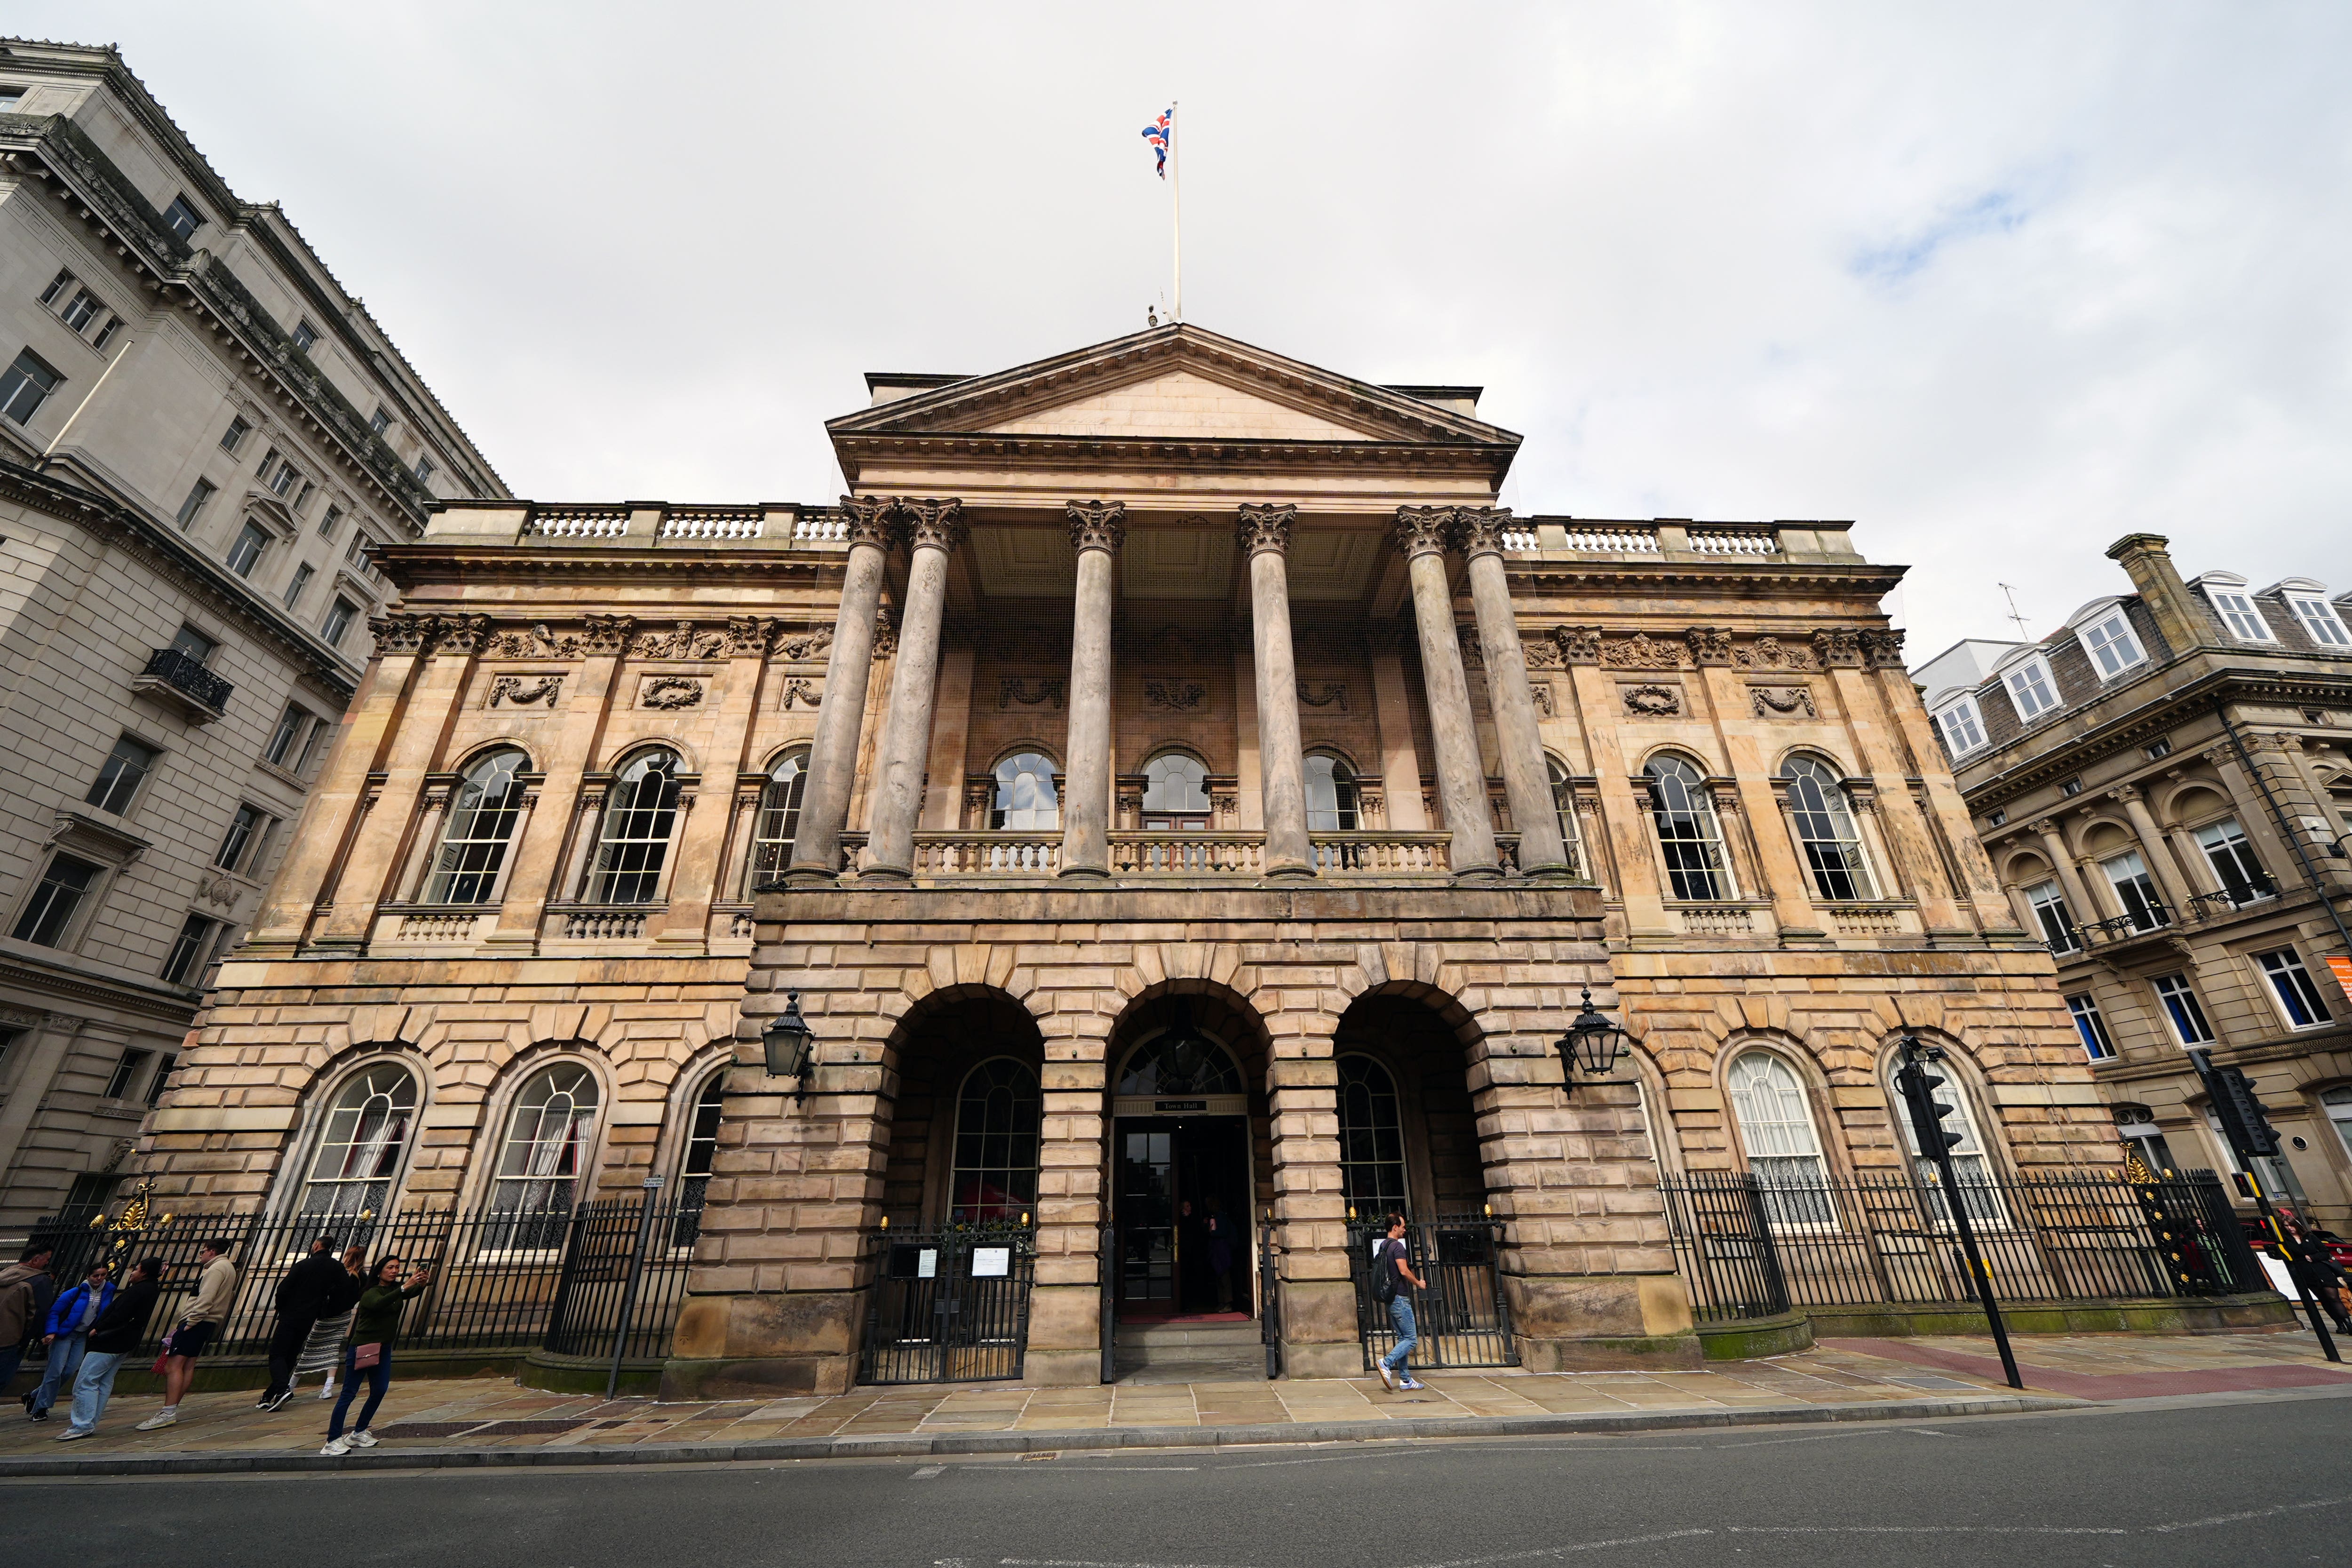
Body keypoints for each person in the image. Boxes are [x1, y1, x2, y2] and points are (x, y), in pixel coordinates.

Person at [322, 1254, 433, 1456]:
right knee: (349, 1393)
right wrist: (404, 1287)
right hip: (363, 1348)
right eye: (390, 1267)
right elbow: (379, 1303)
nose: (394, 1271)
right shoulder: (370, 1293)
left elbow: (408, 1293)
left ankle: (359, 1432)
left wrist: (421, 1283)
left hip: (383, 1347)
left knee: (380, 1390)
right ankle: (332, 1440)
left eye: (397, 1268)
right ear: (380, 1271)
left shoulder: (394, 1290)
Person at [56, 1256, 164, 1441]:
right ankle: (90, 1422)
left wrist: (97, 1329)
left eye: (137, 1269)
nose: (133, 1272)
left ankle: (82, 1424)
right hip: (125, 1341)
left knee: (86, 1381)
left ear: (145, 1273)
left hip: (109, 1341)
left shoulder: (138, 1291)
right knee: (104, 1381)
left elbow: (120, 1314)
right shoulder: (151, 1289)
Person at [137, 1239, 237, 1431]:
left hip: (197, 1322)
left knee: (173, 1366)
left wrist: (191, 1322)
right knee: (188, 1365)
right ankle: (171, 1408)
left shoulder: (216, 1269)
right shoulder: (228, 1267)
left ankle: (168, 1412)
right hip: (207, 1323)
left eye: (203, 1251)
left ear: (212, 1252)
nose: (201, 1255)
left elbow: (206, 1298)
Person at [257, 1234, 344, 1411]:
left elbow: (283, 1289)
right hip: (310, 1316)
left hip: (291, 1314)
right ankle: (269, 1395)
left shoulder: (303, 1265)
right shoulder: (336, 1267)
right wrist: (326, 1309)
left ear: (317, 1246)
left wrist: (281, 1306)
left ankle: (282, 1390)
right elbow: (344, 1290)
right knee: (290, 1356)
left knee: (277, 1355)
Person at [24, 1259, 111, 1421]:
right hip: (65, 1334)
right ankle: (41, 1408)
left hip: (82, 1335)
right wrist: (51, 1332)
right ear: (88, 1276)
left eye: (103, 1275)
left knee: (70, 1371)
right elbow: (55, 1312)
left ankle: (34, 1395)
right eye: (95, 1276)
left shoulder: (108, 1292)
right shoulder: (75, 1292)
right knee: (55, 1371)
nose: (99, 1279)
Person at [1371, 1212, 1428, 1393]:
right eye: (1403, 1226)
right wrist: (1418, 1282)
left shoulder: (1384, 1245)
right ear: (1395, 1227)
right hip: (1400, 1298)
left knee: (1404, 1338)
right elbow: (1403, 1271)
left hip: (1390, 1298)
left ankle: (1405, 1380)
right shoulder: (1397, 1246)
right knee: (1411, 1339)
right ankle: (1386, 1362)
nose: (1405, 1230)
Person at [0, 1242, 57, 1402]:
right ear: (35, 1260)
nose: (47, 1263)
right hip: (10, 1341)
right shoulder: (40, 1280)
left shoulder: (5, 1273)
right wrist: (29, 1338)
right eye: (47, 1259)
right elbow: (39, 1314)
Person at [1203, 1194, 1237, 1313]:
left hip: (1222, 1251)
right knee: (1219, 1276)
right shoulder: (1217, 1216)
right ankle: (1222, 1302)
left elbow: (1222, 1232)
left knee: (1224, 1277)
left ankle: (1228, 1303)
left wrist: (1212, 1231)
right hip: (1218, 1251)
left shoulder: (1221, 1217)